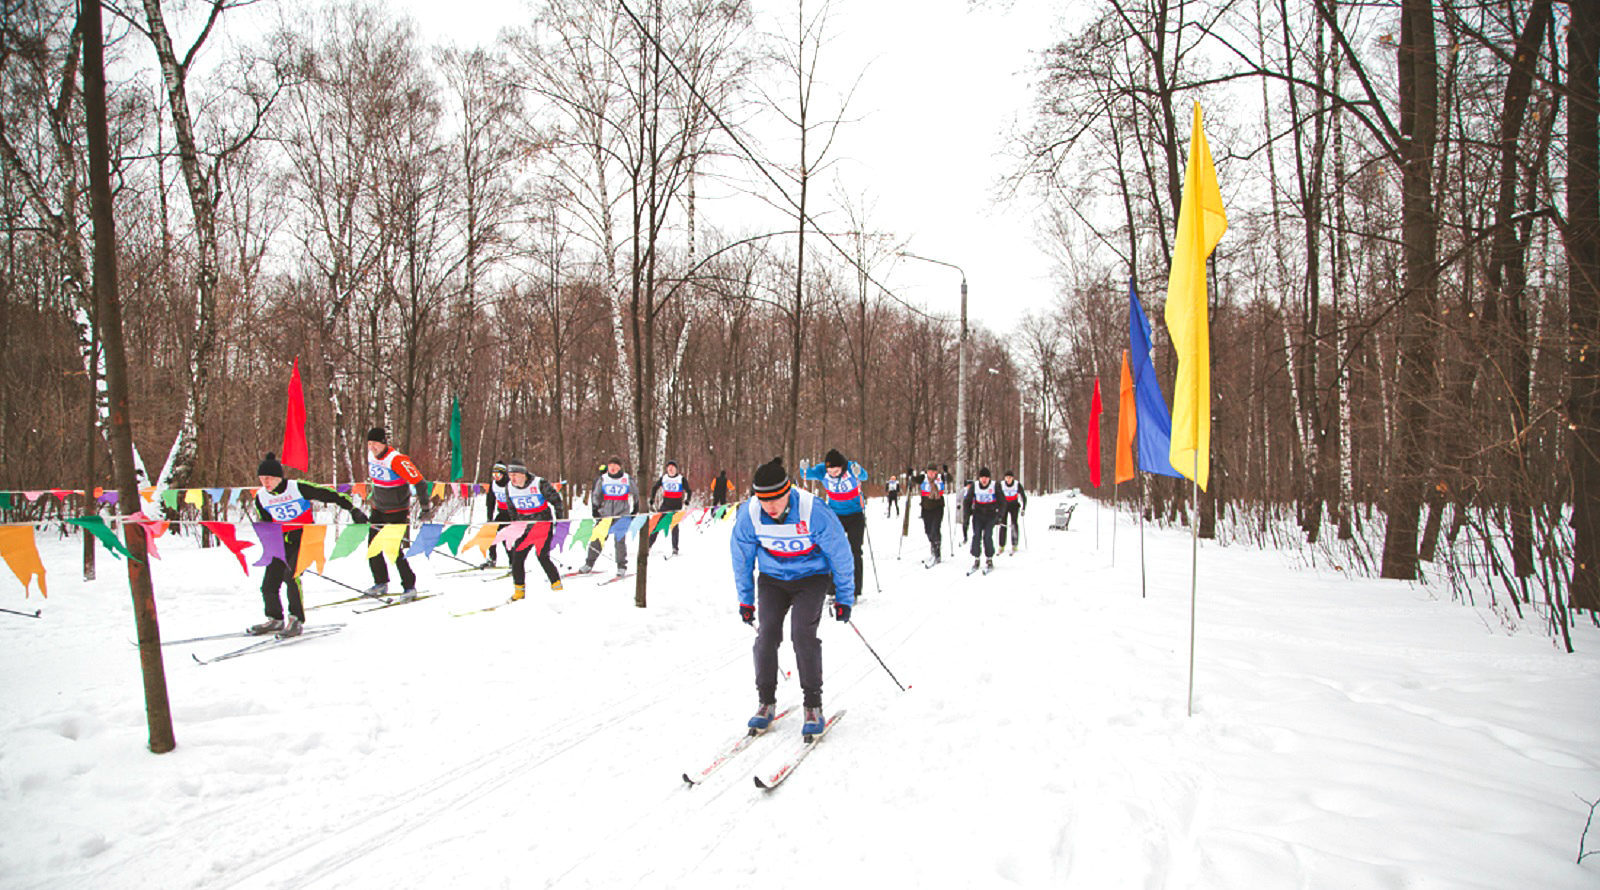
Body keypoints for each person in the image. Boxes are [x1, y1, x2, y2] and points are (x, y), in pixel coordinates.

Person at [732, 457, 854, 738]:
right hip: (773, 580)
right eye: (764, 500)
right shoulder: (749, 515)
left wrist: (844, 597)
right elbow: (742, 559)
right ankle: (766, 702)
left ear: (789, 491)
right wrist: (745, 601)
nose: (770, 507)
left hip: (811, 578)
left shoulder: (814, 511)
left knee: (802, 635)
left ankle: (813, 705)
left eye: (776, 499)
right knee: (766, 636)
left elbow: (840, 554)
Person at [251, 452, 366, 636]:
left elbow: (330, 495)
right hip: (281, 541)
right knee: (269, 583)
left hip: (305, 538)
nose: (266, 482)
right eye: (262, 478)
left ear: (279, 477)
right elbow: (267, 523)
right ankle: (275, 618)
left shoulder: (297, 488)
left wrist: (353, 510)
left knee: (291, 576)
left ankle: (296, 619)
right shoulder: (261, 497)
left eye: (270, 478)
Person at [363, 426, 428, 601]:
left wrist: (425, 508)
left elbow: (420, 483)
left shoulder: (396, 459)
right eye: (369, 443)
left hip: (397, 511)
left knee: (393, 549)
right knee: (373, 547)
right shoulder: (371, 456)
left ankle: (409, 586)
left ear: (384, 443)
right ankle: (380, 582)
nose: (372, 447)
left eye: (375, 444)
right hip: (378, 509)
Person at [802, 448, 869, 601]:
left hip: (855, 515)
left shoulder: (851, 467)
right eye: (830, 471)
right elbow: (807, 474)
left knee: (854, 551)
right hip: (835, 515)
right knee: (832, 551)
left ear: (842, 467)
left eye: (836, 471)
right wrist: (804, 468)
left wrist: (859, 471)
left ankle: (854, 591)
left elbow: (864, 476)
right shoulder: (822, 470)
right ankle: (832, 590)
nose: (832, 474)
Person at [504, 460, 567, 600]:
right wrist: (515, 524)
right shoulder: (509, 487)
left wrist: (560, 520)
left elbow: (556, 501)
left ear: (523, 474)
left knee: (542, 557)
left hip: (542, 527)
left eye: (515, 475)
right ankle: (519, 592)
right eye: (510, 475)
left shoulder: (539, 483)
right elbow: (511, 508)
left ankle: (557, 586)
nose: (512, 479)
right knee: (517, 558)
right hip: (525, 529)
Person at [580, 457, 638, 577]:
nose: (613, 468)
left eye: (615, 466)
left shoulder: (626, 479)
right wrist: (595, 509)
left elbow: (636, 493)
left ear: (620, 467)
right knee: (597, 538)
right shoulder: (603, 478)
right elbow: (595, 494)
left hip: (622, 514)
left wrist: (636, 508)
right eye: (610, 465)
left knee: (619, 541)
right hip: (605, 514)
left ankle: (621, 566)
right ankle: (589, 563)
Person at [964, 467, 1003, 573]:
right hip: (978, 515)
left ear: (989, 478)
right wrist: (967, 514)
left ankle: (989, 558)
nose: (984, 480)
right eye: (982, 477)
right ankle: (976, 558)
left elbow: (1002, 502)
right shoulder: (975, 486)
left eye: (986, 477)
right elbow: (967, 501)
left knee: (987, 536)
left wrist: (1000, 516)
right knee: (976, 535)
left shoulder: (995, 485)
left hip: (990, 515)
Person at [649, 459, 691, 555]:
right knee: (657, 525)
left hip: (676, 507)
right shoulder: (664, 478)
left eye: (672, 467)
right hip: (665, 506)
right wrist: (652, 499)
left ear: (676, 469)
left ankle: (675, 548)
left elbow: (689, 491)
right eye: (669, 468)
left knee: (674, 527)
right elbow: (655, 488)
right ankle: (648, 545)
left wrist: (687, 500)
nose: (671, 469)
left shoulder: (681, 479)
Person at [912, 463, 946, 564]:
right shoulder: (923, 478)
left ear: (936, 472)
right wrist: (910, 475)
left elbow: (950, 479)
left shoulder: (940, 478)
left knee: (935, 529)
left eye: (933, 472)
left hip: (938, 508)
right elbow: (915, 480)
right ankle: (933, 545)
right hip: (926, 508)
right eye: (929, 471)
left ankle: (937, 552)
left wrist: (946, 472)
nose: (931, 474)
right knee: (928, 530)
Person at [481, 460, 511, 568]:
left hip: (512, 515)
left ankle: (513, 563)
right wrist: (489, 518)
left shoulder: (510, 484)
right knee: (490, 534)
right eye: (494, 475)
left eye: (498, 475)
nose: (496, 477)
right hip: (502, 513)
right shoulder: (493, 485)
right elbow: (490, 502)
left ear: (504, 474)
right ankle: (492, 559)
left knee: (506, 537)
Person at [999, 470, 1028, 553]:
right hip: (1004, 506)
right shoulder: (1001, 484)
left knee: (1014, 524)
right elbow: (996, 495)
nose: (1008, 479)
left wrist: (1023, 508)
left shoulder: (1017, 484)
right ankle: (1001, 545)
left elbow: (1023, 497)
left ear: (1012, 478)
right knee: (1003, 524)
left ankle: (1014, 544)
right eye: (1007, 477)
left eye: (1010, 477)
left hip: (1014, 506)